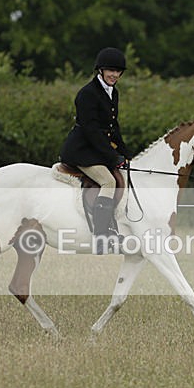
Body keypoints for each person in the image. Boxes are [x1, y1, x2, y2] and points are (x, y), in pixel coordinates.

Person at [60, 47, 131, 254]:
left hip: (96, 150)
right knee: (108, 182)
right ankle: (101, 237)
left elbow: (113, 127)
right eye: (111, 70)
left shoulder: (113, 92)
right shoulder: (87, 94)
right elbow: (91, 131)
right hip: (82, 151)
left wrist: (126, 154)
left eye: (118, 71)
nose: (114, 75)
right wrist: (112, 156)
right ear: (100, 70)